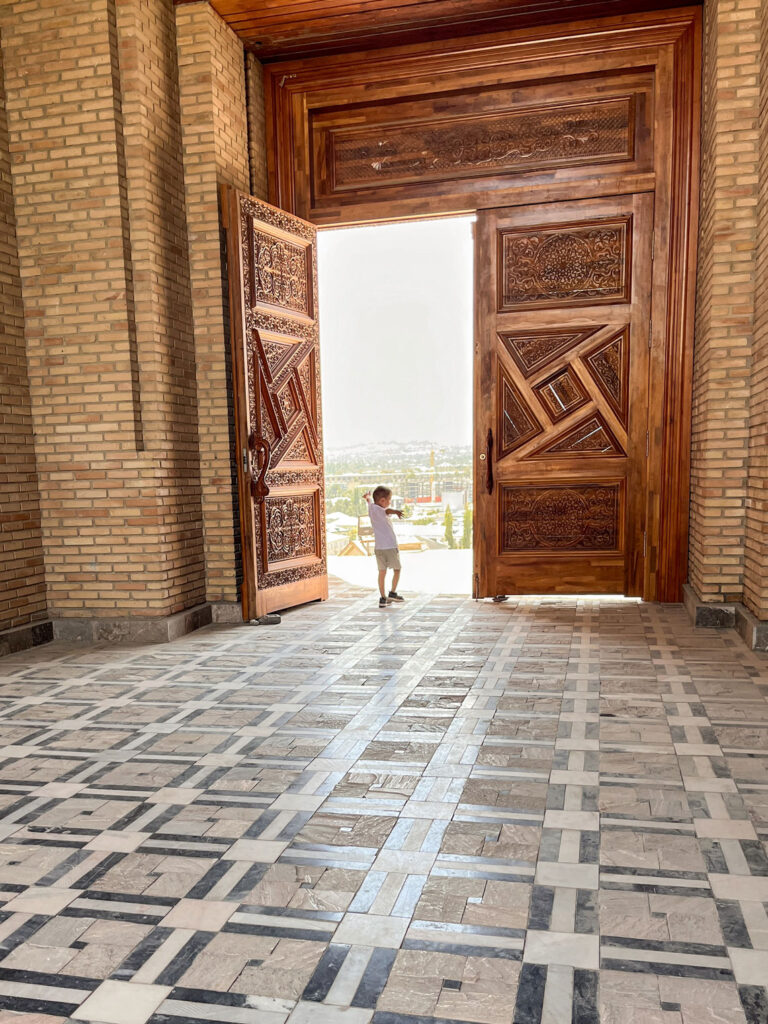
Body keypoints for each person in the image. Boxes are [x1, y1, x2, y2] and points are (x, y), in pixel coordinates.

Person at [363, 487, 405, 607]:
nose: (389, 502)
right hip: (390, 546)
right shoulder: (382, 510)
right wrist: (396, 511)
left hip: (379, 548)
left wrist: (367, 497)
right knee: (397, 569)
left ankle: (382, 598)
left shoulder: (371, 508)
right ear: (382, 501)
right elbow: (387, 511)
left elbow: (370, 501)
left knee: (382, 572)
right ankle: (392, 593)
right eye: (389, 500)